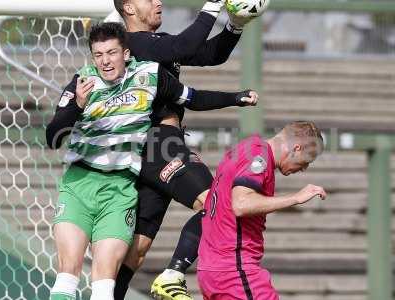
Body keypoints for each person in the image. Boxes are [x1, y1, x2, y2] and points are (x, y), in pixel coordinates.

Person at [45, 22, 257, 300]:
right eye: (98, 55)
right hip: (79, 184)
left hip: (119, 190)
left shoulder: (151, 76)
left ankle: (171, 276)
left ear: (127, 53)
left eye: (111, 53)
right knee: (67, 274)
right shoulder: (82, 82)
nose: (105, 61)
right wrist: (77, 107)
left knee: (105, 280)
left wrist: (236, 98)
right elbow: (52, 137)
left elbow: (191, 97)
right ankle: (173, 274)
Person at [108, 1, 256, 299]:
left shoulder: (157, 45)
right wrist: (213, 6)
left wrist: (235, 25)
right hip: (157, 143)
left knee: (135, 251)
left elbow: (209, 54)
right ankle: (173, 274)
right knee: (218, 202)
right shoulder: (133, 44)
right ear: (129, 8)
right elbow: (186, 44)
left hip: (154, 147)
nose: (158, 2)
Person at [197, 121, 327, 300]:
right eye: (306, 161)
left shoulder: (246, 147)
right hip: (234, 271)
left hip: (213, 269)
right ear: (296, 148)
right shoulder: (259, 155)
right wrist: (296, 198)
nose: (304, 168)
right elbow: (241, 204)